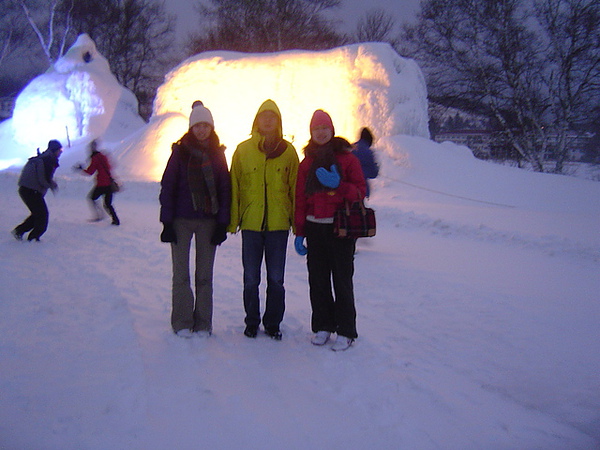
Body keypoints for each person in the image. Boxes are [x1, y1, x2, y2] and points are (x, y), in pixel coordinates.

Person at [294, 110, 366, 351]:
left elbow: (360, 191)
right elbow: (301, 199)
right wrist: (300, 231)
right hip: (315, 227)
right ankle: (323, 326)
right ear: (311, 133)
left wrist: (340, 186)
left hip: (340, 228)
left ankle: (346, 330)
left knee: (342, 280)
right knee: (318, 280)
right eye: (316, 129)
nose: (321, 133)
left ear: (332, 130)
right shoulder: (306, 163)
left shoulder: (348, 159)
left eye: (324, 128)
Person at [159, 101, 231, 338]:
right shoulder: (180, 153)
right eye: (197, 126)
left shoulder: (218, 154)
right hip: (181, 220)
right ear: (191, 128)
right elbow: (168, 186)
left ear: (211, 128)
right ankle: (181, 321)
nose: (201, 130)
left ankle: (203, 323)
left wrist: (222, 223)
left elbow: (224, 188)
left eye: (205, 126)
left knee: (204, 275)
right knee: (181, 274)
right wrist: (167, 222)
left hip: (208, 221)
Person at [228, 99, 299, 340]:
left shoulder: (288, 152)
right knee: (250, 278)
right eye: (263, 116)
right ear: (256, 120)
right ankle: (251, 321)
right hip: (251, 224)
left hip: (278, 225)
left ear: (278, 122)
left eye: (273, 117)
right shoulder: (243, 150)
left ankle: (273, 323)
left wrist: (297, 224)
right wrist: (233, 220)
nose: (267, 120)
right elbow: (235, 186)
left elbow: (295, 189)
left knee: (276, 279)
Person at [11, 140, 63, 242]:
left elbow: (43, 177)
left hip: (27, 190)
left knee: (37, 214)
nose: (60, 152)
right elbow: (42, 179)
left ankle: (19, 231)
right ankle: (34, 238)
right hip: (30, 191)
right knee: (42, 215)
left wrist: (50, 183)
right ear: (54, 150)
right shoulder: (47, 161)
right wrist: (51, 185)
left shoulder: (45, 159)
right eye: (59, 150)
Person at [74, 139, 120, 225]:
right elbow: (110, 167)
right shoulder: (104, 156)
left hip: (101, 184)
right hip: (109, 183)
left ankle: (99, 215)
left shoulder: (95, 158)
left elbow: (90, 172)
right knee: (108, 203)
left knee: (91, 198)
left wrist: (81, 169)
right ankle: (115, 219)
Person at [353, 127, 379, 198]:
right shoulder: (367, 151)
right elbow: (373, 173)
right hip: (361, 189)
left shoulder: (351, 147)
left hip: (346, 188)